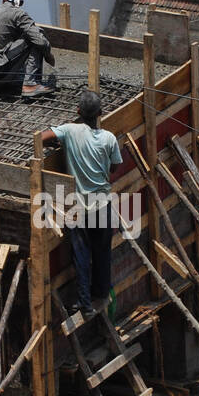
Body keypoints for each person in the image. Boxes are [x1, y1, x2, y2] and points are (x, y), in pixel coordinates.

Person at [41, 90, 122, 321]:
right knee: (102, 252)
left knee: (81, 255)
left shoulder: (69, 130)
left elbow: (42, 137)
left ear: (78, 112)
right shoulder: (109, 138)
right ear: (100, 113)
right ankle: (101, 294)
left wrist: (60, 141)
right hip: (103, 205)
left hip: (79, 207)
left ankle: (84, 303)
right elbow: (115, 167)